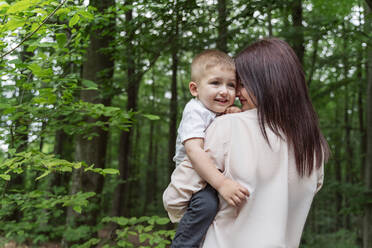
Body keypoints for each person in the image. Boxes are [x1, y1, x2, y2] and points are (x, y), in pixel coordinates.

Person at [193, 38, 329, 247]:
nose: (236, 93)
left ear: (267, 82)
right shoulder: (314, 146)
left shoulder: (228, 126)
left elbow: (182, 193)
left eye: (244, 84)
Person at [163, 50, 249, 247]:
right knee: (206, 206)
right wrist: (221, 184)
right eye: (215, 83)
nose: (224, 91)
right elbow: (194, 151)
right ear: (195, 89)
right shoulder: (195, 111)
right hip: (194, 178)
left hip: (214, 172)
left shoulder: (219, 111)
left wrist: (233, 112)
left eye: (231, 85)